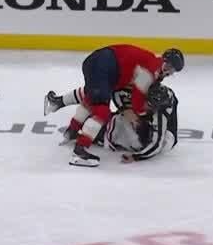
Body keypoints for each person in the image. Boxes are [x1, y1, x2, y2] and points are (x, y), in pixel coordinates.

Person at [43, 44, 184, 167]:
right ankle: (79, 151)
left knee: (92, 96)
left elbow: (130, 90)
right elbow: (137, 98)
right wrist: (138, 113)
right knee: (101, 110)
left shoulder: (152, 66)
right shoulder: (151, 70)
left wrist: (130, 108)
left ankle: (69, 127)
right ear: (164, 60)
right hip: (105, 66)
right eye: (169, 66)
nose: (169, 71)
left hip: (103, 63)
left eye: (173, 70)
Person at [100, 84, 178, 162]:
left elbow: (157, 143)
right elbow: (117, 93)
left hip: (162, 137)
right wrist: (126, 109)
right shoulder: (143, 87)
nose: (146, 106)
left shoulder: (161, 115)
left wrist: (136, 157)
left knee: (161, 141)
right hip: (144, 121)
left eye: (149, 105)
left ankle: (107, 134)